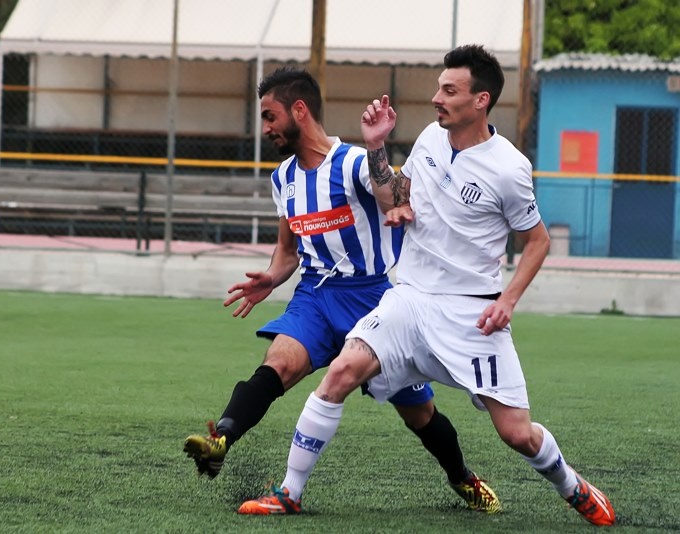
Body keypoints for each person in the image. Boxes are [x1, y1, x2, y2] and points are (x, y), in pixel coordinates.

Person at [238, 46, 616, 527]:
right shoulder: (430, 141)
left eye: (449, 90)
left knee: (517, 434)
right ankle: (288, 493)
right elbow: (395, 195)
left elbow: (538, 241)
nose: (437, 97)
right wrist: (377, 147)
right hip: (410, 299)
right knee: (340, 374)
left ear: (481, 100)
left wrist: (508, 300)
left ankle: (573, 486)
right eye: (439, 87)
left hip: (472, 315)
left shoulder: (509, 167)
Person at [183, 66, 500, 515]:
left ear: (299, 109)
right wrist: (271, 278)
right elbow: (287, 250)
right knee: (278, 363)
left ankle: (463, 478)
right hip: (315, 294)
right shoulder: (283, 179)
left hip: (372, 298)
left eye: (270, 117)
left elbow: (395, 202)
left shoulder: (352, 163)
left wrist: (377, 148)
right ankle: (221, 439)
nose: (266, 128)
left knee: (419, 415)